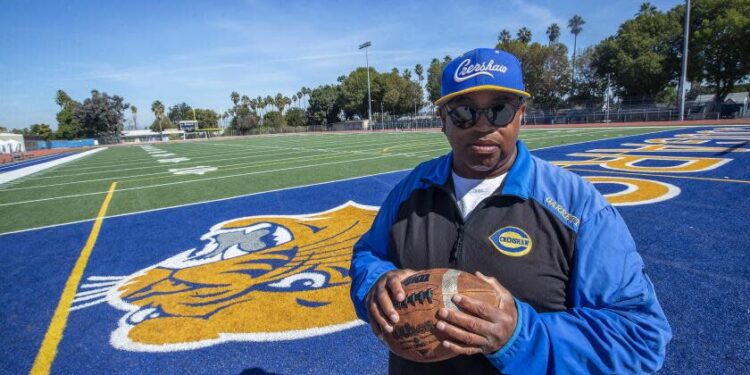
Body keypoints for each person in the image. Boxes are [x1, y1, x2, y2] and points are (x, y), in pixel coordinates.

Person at [349, 48, 671, 374]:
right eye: (464, 111)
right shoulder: (410, 190)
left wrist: (520, 337)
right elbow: (369, 255)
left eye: (500, 110)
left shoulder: (578, 206)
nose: (483, 126)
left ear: (521, 114)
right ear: (443, 119)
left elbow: (640, 336)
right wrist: (376, 284)